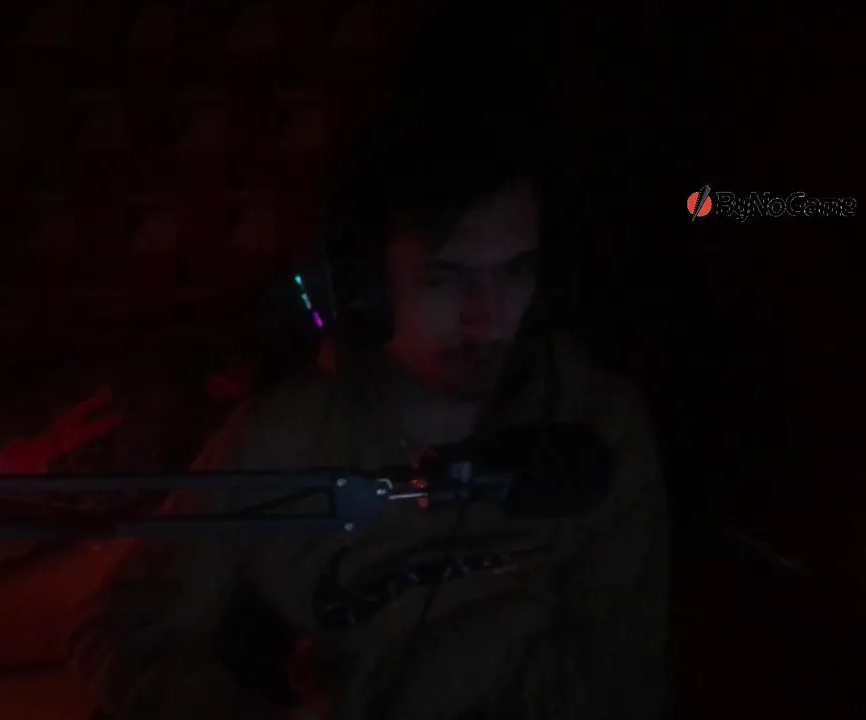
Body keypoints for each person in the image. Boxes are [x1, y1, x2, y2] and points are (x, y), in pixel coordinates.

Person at [66, 117, 667, 720]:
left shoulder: (594, 424)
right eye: (444, 279)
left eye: (515, 271)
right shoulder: (286, 439)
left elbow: (624, 676)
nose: (489, 318)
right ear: (367, 288)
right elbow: (122, 630)